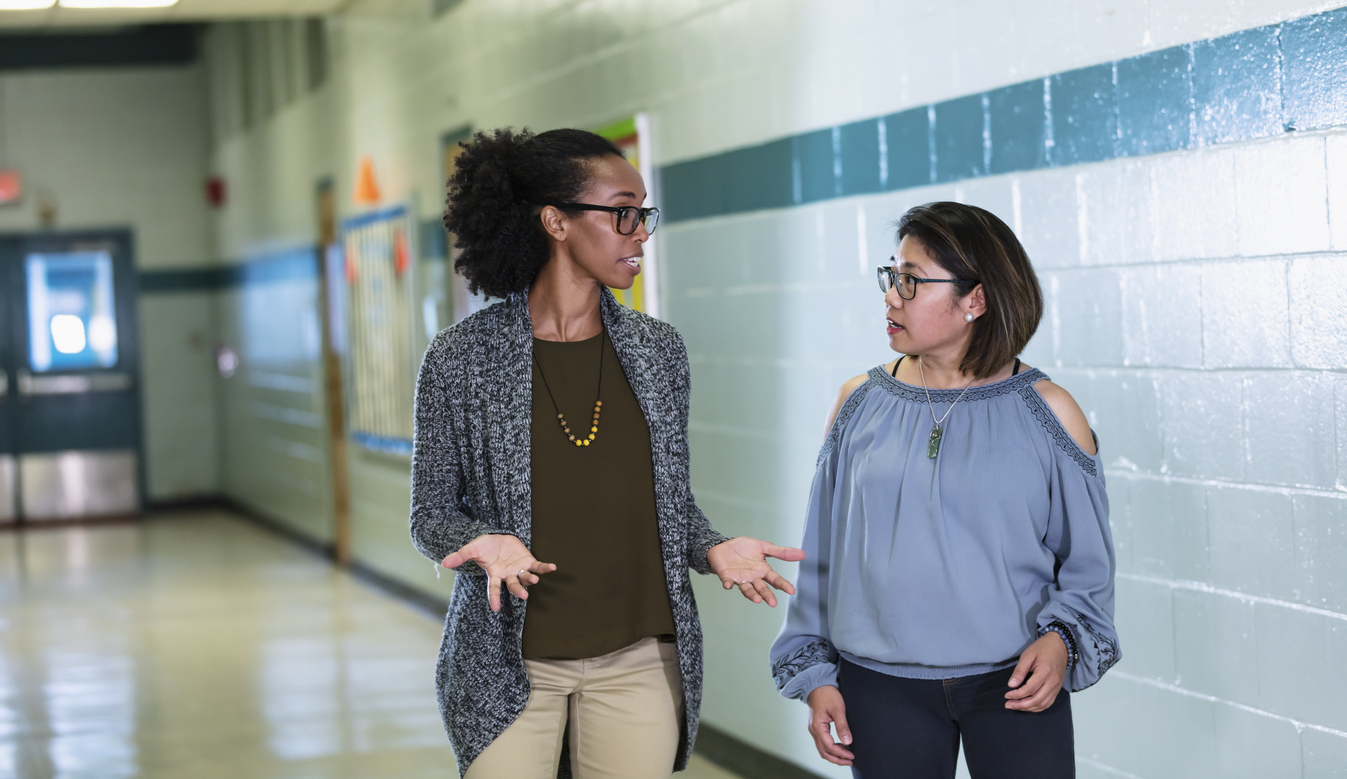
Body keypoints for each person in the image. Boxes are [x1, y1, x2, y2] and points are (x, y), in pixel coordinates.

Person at [410, 127, 804, 779]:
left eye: (642, 214)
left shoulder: (658, 351)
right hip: (512, 662)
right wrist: (483, 540)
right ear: (555, 221)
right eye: (622, 212)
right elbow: (430, 513)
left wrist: (710, 546)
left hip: (638, 659)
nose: (639, 232)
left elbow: (668, 503)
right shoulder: (461, 357)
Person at [769, 202, 1119, 778]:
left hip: (1015, 684)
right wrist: (814, 675)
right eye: (892, 276)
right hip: (878, 688)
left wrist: (1060, 642)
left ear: (975, 299)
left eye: (911, 281)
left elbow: (1088, 565)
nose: (890, 296)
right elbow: (821, 555)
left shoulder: (1051, 412)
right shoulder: (858, 401)